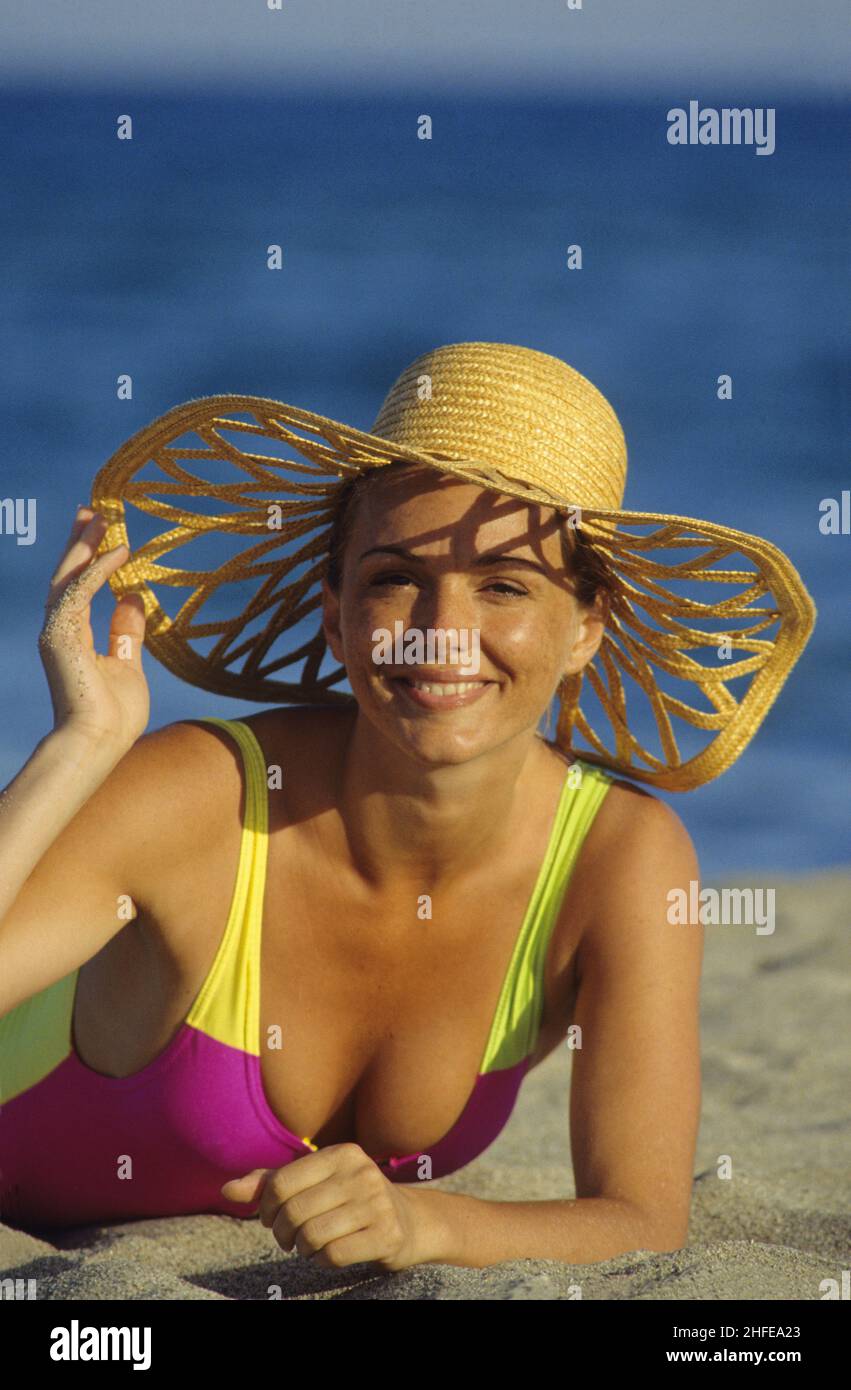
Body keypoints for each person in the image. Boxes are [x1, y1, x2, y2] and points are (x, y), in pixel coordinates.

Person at [0, 342, 815, 1272]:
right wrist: (80, 750)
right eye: (393, 578)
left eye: (503, 585)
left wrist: (426, 1224)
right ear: (334, 612)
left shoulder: (618, 858)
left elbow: (638, 1218)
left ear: (585, 628)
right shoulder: (205, 795)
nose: (440, 632)